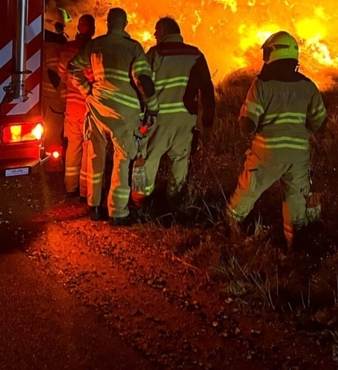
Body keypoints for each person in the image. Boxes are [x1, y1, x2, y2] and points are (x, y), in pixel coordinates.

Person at [226, 31, 327, 247]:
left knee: (247, 192)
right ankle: (296, 249)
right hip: (298, 157)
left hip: (267, 153)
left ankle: (226, 231)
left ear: (273, 53)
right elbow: (320, 123)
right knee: (296, 203)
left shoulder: (262, 84)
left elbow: (247, 125)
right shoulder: (308, 86)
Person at [69, 7, 159, 226]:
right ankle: (117, 212)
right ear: (125, 23)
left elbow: (73, 68)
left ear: (108, 23)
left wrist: (87, 90)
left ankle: (94, 206)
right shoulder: (133, 48)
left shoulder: (94, 45)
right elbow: (144, 82)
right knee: (122, 161)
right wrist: (153, 108)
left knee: (95, 158)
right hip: (124, 115)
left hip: (98, 108)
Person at [131, 17, 215, 211]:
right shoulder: (196, 54)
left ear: (164, 32)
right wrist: (207, 121)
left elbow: (143, 82)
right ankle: (175, 203)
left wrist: (141, 111)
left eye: (156, 31)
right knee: (180, 160)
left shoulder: (155, 53)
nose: (154, 35)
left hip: (158, 118)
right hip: (186, 120)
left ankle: (139, 202)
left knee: (145, 159)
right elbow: (207, 88)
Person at [57, 14, 96, 201]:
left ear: (79, 28)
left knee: (73, 146)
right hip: (89, 104)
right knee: (89, 148)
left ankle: (69, 187)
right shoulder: (94, 50)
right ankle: (84, 191)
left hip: (72, 104)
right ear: (93, 29)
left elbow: (62, 75)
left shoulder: (66, 49)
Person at [42, 2, 69, 172]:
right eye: (60, 25)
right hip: (54, 97)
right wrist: (63, 92)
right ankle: (52, 167)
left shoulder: (42, 43)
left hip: (44, 95)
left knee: (46, 131)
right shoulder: (55, 47)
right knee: (53, 133)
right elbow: (54, 73)